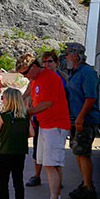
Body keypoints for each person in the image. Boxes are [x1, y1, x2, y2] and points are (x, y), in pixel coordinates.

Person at [16, 53, 70, 199]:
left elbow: (47, 103)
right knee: (51, 164)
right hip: (45, 125)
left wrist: (27, 112)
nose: (24, 76)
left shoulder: (50, 78)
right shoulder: (35, 81)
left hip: (55, 125)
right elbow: (31, 98)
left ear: (33, 67)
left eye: (25, 73)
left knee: (51, 165)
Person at [64, 43, 100, 199]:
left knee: (83, 153)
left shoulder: (87, 73)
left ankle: (89, 187)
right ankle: (86, 182)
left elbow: (90, 97)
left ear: (75, 56)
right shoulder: (74, 72)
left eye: (67, 54)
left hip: (84, 120)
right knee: (78, 151)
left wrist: (80, 117)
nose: (65, 57)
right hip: (76, 119)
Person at [26, 50, 67, 187]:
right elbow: (28, 94)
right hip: (41, 120)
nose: (47, 64)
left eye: (50, 61)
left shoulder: (58, 78)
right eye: (44, 61)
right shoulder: (36, 79)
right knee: (40, 152)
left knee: (53, 159)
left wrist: (29, 112)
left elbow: (50, 101)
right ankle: (38, 176)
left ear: (56, 63)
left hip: (54, 122)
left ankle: (56, 189)